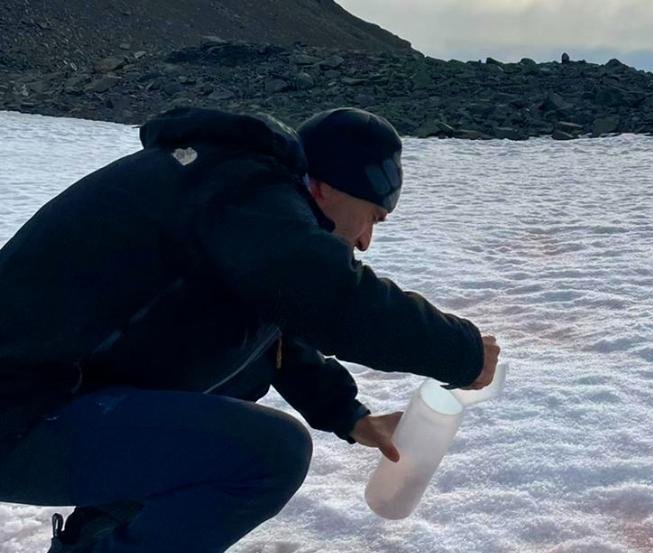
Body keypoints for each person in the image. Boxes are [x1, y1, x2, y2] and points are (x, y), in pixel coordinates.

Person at [0, 106, 501, 552]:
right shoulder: (243, 190)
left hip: (36, 398)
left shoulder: (228, 193)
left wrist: (347, 415)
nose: (366, 240)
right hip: (20, 413)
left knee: (228, 384)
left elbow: (271, 326)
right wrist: (464, 354)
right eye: (372, 215)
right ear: (326, 188)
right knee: (268, 454)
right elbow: (329, 298)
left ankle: (102, 535)